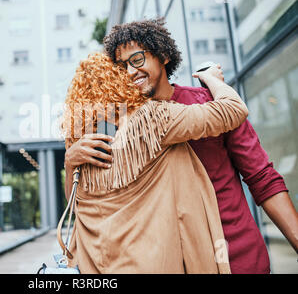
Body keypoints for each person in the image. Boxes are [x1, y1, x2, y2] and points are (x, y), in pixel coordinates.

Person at [64, 18, 298, 274]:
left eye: (137, 59)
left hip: (237, 258)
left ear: (163, 55)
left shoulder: (206, 102)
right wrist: (71, 160)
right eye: (121, 67)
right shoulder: (131, 128)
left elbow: (262, 178)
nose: (130, 72)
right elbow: (91, 203)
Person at [60, 51, 249, 273]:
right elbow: (234, 110)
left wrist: (69, 162)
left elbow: (75, 205)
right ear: (121, 80)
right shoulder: (153, 121)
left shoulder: (83, 151)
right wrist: (213, 80)